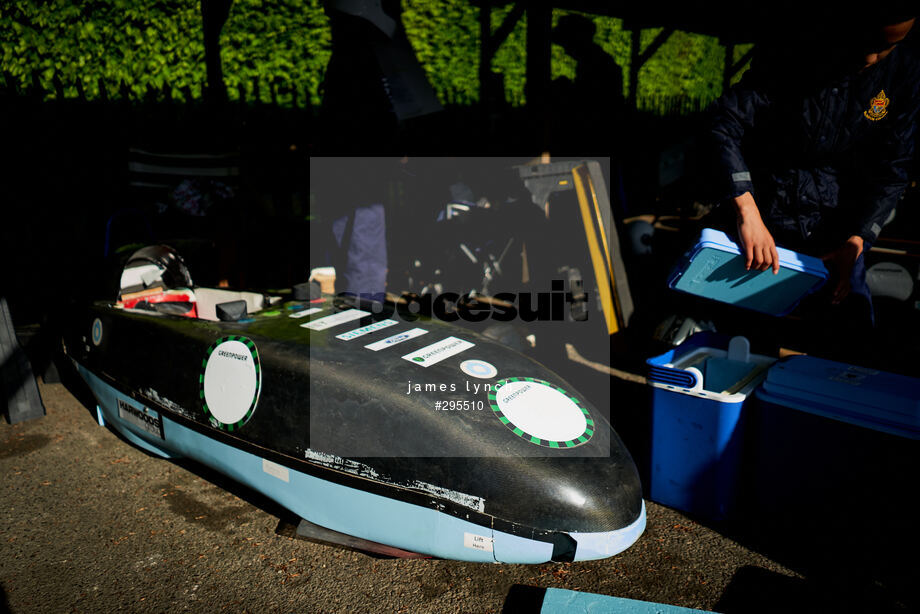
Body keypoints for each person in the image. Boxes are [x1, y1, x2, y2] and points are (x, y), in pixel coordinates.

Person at [708, 15, 920, 332]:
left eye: (886, 47)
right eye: (865, 41)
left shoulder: (904, 74)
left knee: (847, 348)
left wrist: (860, 238)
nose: (870, 58)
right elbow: (724, 125)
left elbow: (895, 169)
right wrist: (747, 211)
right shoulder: (792, 51)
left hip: (839, 236)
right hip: (768, 219)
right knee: (745, 340)